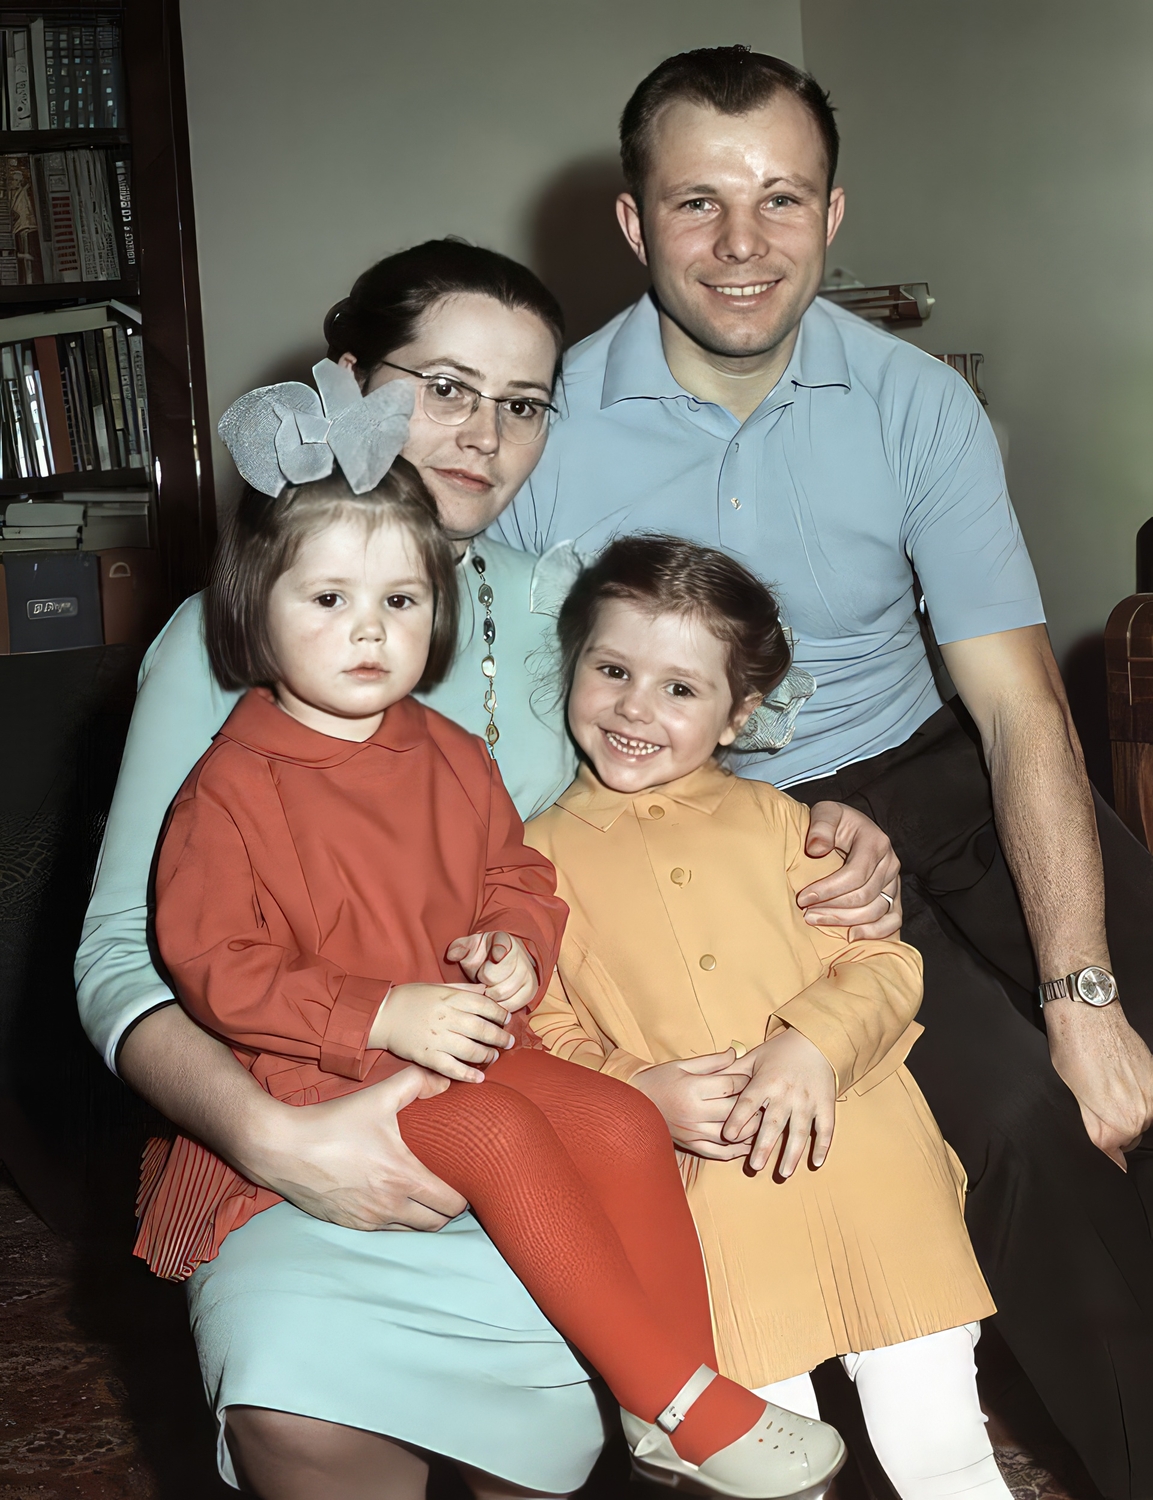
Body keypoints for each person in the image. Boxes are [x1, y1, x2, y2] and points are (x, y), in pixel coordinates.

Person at [75, 240, 895, 1500]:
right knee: (308, 1411)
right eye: (445, 387)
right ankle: (670, 1393)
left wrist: (825, 828)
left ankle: (670, 1395)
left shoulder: (561, 606)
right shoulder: (232, 655)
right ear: (351, 379)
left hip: (536, 1071)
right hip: (307, 1106)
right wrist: (274, 1137)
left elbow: (686, 754)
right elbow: (134, 954)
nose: (483, 434)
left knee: (600, 1179)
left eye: (522, 403)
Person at [495, 46, 1153, 1500]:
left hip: (939, 770)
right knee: (1021, 1125)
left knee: (1125, 1042)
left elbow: (1017, 708)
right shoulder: (548, 429)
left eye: (781, 199)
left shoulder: (918, 403)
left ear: (833, 214)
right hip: (735, 832)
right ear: (632, 220)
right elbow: (525, 733)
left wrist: (1085, 991)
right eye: (698, 203)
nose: (743, 245)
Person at [526, 533, 1010, 1500]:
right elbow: (543, 1030)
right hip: (708, 1212)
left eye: (679, 688)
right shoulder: (532, 862)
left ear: (739, 712)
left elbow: (880, 960)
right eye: (612, 670)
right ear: (574, 662)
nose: (634, 707)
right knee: (766, 1469)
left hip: (873, 1178)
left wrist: (812, 1045)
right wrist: (635, 1091)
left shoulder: (791, 824)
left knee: (939, 1449)